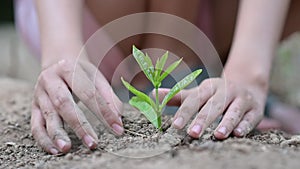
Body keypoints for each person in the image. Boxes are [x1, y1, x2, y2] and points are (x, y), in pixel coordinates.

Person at [15, 0, 298, 155]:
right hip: (87, 23)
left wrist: (249, 73)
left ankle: (224, 83)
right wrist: (61, 52)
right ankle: (167, 82)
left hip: (211, 25)